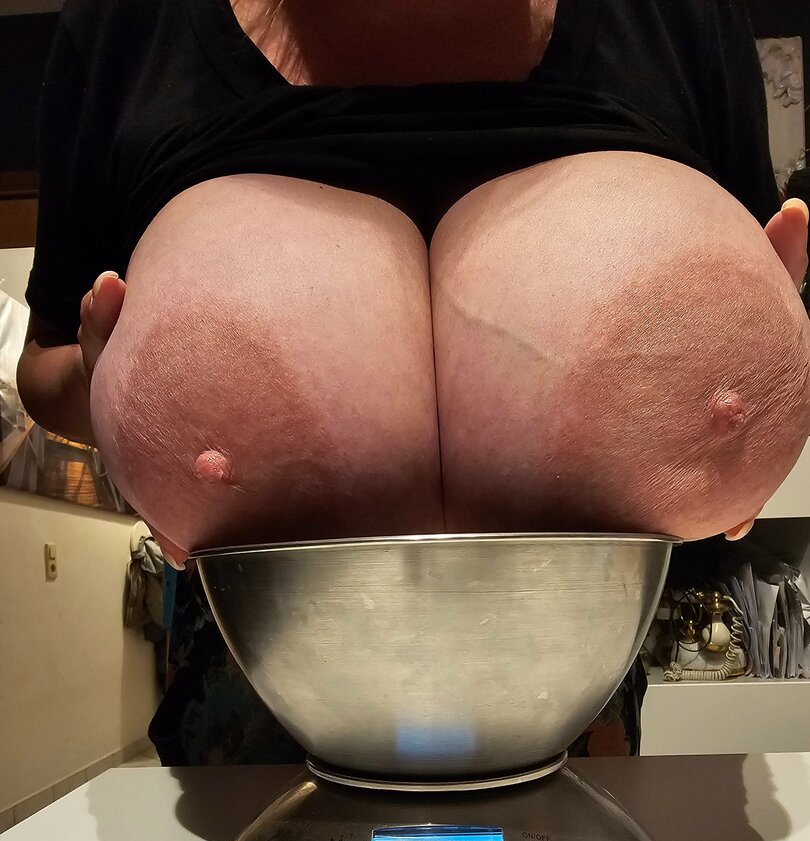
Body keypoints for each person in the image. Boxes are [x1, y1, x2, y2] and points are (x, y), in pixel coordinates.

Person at [17, 0, 810, 764]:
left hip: (575, 685)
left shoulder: (679, 15)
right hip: (252, 688)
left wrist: (750, 353)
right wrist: (117, 388)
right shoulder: (130, 25)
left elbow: (761, 289)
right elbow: (43, 363)